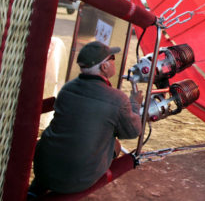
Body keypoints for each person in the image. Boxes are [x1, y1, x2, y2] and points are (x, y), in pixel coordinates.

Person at [28, 41, 143, 198]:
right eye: (112, 58)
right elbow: (132, 131)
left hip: (42, 167)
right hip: (77, 180)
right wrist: (134, 104)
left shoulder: (67, 88)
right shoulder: (118, 99)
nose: (114, 60)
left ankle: (35, 190)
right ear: (104, 67)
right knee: (114, 144)